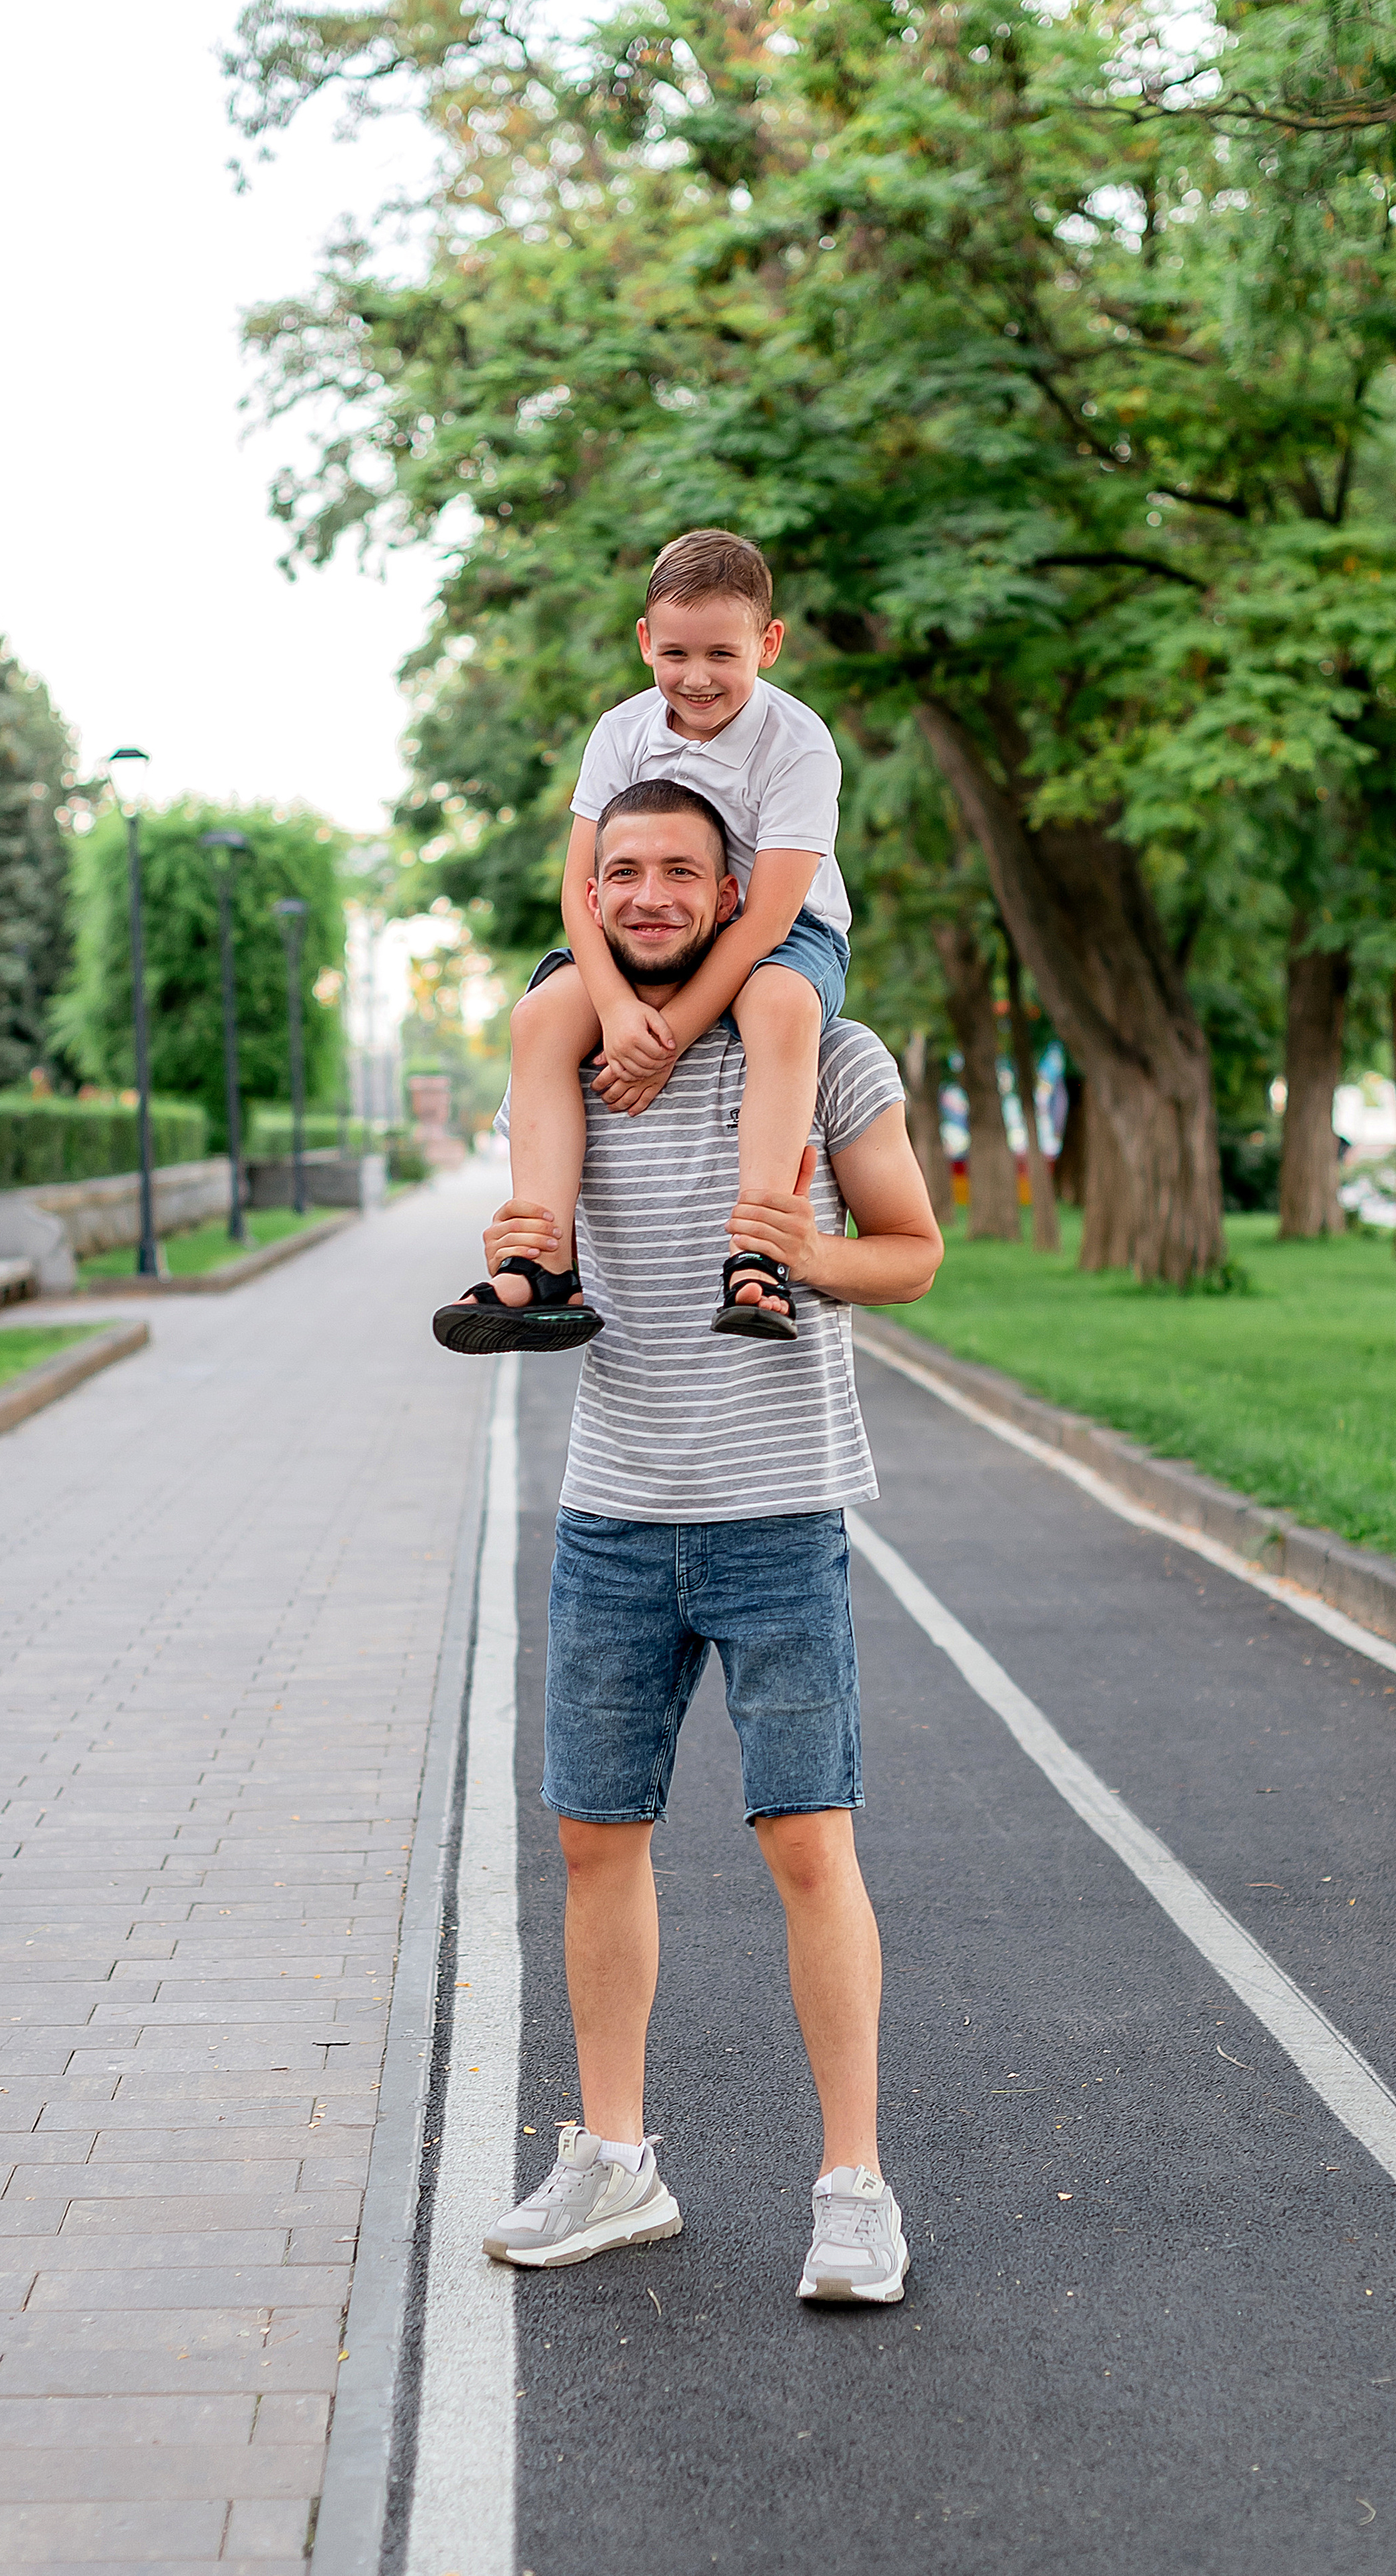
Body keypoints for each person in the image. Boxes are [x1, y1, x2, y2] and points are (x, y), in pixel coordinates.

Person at [476, 781, 943, 2303]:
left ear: (735, 882)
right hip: (611, 1509)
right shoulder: (565, 1046)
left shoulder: (821, 1047)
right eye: (624, 868)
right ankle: (615, 2163)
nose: (652, 892)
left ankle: (852, 2186)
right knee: (589, 1836)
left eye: (683, 867)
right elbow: (533, 1212)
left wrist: (812, 1253)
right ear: (591, 888)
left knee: (806, 1838)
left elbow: (914, 1250)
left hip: (774, 1505)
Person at [433, 527, 850, 1355]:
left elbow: (767, 918)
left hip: (779, 925)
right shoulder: (620, 733)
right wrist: (618, 1011)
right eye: (675, 653)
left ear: (768, 644)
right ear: (644, 643)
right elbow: (577, 889)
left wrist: (669, 1040)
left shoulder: (796, 745)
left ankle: (758, 1252)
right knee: (541, 1019)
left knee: (777, 1002)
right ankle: (543, 1258)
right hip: (649, 927)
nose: (696, 678)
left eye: (722, 655)